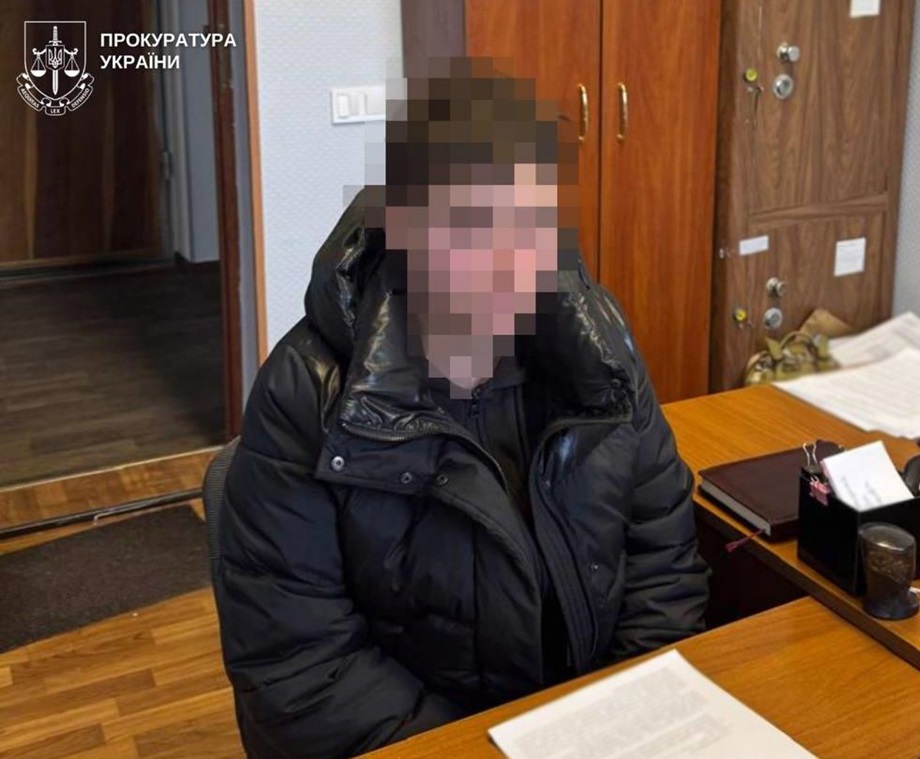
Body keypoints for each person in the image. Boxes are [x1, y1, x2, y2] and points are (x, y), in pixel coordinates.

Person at [212, 58, 709, 758]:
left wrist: (626, 711)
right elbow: (301, 667)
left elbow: (664, 551)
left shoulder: (597, 348)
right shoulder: (305, 393)